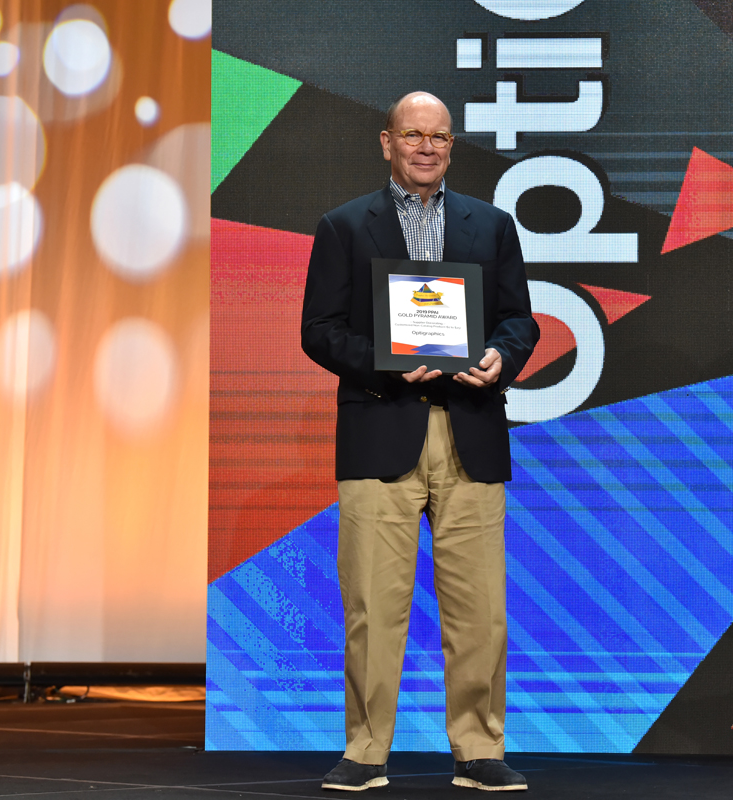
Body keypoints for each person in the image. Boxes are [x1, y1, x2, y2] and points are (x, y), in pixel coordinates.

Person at [301, 91, 539, 792]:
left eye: (439, 136)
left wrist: (501, 356)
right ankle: (365, 751)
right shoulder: (344, 226)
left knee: (480, 609)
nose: (426, 147)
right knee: (373, 605)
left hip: (471, 432)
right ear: (387, 142)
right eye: (413, 135)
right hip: (381, 427)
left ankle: (479, 749)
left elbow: (519, 320)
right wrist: (386, 362)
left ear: (451, 145)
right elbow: (319, 330)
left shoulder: (490, 225)